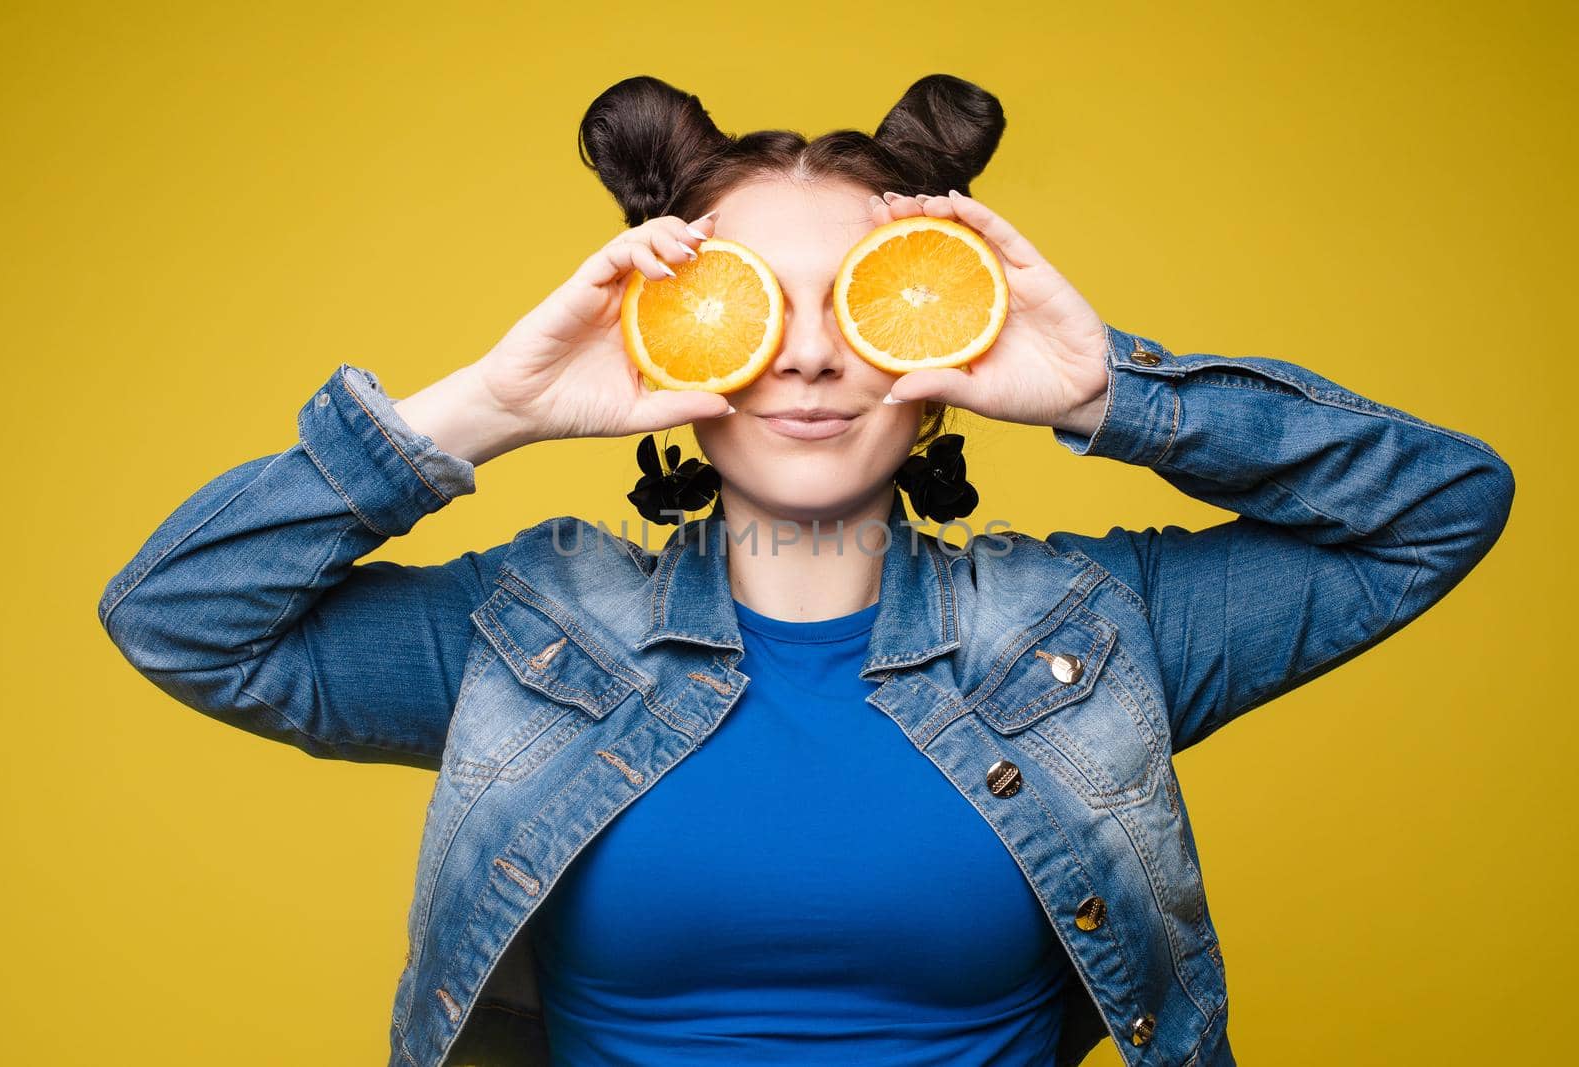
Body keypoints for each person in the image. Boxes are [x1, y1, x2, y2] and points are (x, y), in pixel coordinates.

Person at [97, 73, 1515, 1067]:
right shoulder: (526, 633)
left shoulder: (1093, 630)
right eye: (749, 306)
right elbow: (179, 618)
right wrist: (489, 406)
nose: (816, 353)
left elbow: (1443, 506)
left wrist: (1110, 393)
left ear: (944, 356)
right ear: (669, 339)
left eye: (867, 304)